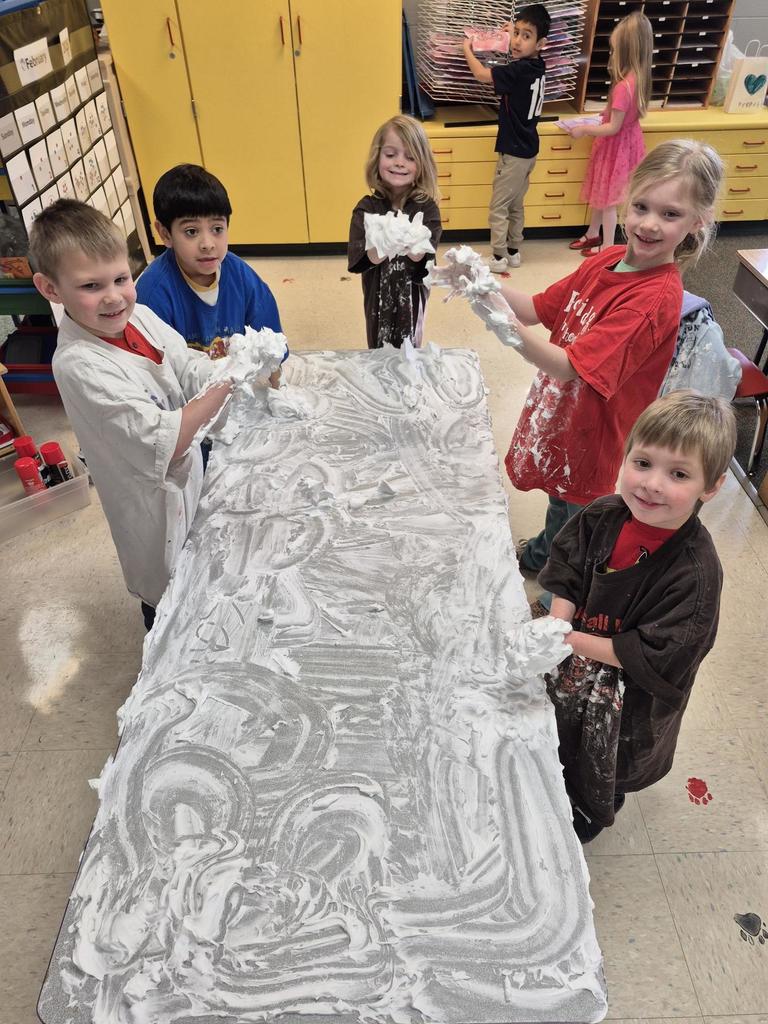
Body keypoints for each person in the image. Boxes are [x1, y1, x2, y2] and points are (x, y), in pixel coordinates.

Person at [499, 139, 724, 603]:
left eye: (670, 214)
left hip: (596, 434)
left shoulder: (653, 299)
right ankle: (544, 552)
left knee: (582, 525)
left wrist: (509, 335)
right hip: (566, 421)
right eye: (641, 206)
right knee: (558, 499)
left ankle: (557, 596)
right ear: (626, 197)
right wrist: (483, 286)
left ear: (696, 222)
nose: (647, 224)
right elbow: (538, 309)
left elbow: (568, 367)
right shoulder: (605, 259)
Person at [540, 390, 736, 843]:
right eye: (642, 463)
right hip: (576, 653)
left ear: (711, 486)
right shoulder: (603, 516)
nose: (651, 484)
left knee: (601, 758)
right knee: (559, 730)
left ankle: (589, 810)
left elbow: (655, 657)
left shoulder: (695, 575)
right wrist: (559, 619)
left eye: (679, 474)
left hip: (627, 698)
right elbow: (567, 568)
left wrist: (567, 640)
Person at [29, 199, 232, 631]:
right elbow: (169, 438)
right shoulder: (79, 364)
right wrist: (226, 384)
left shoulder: (138, 317)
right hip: (149, 509)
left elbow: (185, 364)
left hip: (187, 485)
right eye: (90, 286)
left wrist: (226, 368)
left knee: (199, 581)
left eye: (121, 278)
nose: (114, 297)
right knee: (170, 605)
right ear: (50, 289)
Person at [136, 163, 283, 383]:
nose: (207, 244)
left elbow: (271, 346)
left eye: (217, 229)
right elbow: (156, 377)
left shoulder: (241, 276)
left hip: (237, 384)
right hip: (188, 397)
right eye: (191, 232)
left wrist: (278, 389)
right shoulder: (152, 294)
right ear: (165, 234)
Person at [462, 4, 550, 272]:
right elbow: (522, 55)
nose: (517, 41)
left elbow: (481, 74)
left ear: (540, 43)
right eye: (517, 33)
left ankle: (499, 257)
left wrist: (467, 49)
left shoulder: (517, 72)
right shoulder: (537, 66)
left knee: (499, 205)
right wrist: (515, 33)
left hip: (513, 152)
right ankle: (513, 250)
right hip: (529, 149)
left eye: (526, 36)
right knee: (515, 204)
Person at [348, 115, 441, 349]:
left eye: (410, 157)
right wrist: (382, 244)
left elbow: (425, 265)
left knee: (411, 346)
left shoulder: (427, 209)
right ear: (377, 158)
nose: (400, 163)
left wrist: (414, 247)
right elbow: (359, 261)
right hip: (377, 300)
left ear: (422, 165)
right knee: (379, 345)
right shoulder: (367, 208)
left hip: (412, 297)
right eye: (391, 155)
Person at [564, 11, 652, 256]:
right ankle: (593, 234)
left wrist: (583, 129)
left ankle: (607, 248)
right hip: (626, 144)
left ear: (626, 50)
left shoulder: (625, 86)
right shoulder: (638, 78)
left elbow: (613, 127)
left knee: (609, 201)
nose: (611, 55)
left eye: (614, 50)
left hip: (616, 148)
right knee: (602, 194)